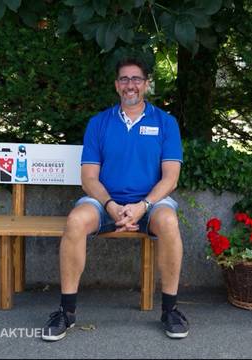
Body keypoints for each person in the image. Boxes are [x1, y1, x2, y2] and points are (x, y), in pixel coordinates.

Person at [42, 57, 188, 341]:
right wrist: (111, 205)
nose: (130, 85)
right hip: (104, 203)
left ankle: (170, 310)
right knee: (75, 221)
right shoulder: (99, 123)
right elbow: (89, 179)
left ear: (146, 84)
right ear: (116, 85)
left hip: (150, 203)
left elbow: (170, 178)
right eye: (124, 79)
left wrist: (142, 205)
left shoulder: (166, 123)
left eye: (136, 79)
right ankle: (66, 311)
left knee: (169, 221)